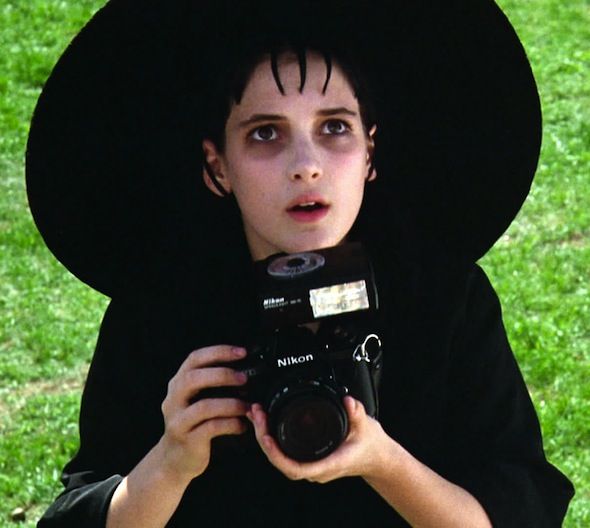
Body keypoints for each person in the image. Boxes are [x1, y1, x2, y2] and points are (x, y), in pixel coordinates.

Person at [28, 1, 574, 526]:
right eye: (266, 134)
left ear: (369, 154)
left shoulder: (442, 301)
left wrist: (384, 462)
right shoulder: (162, 311)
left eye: (334, 127)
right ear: (217, 167)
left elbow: (516, 511)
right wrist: (169, 464)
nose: (306, 166)